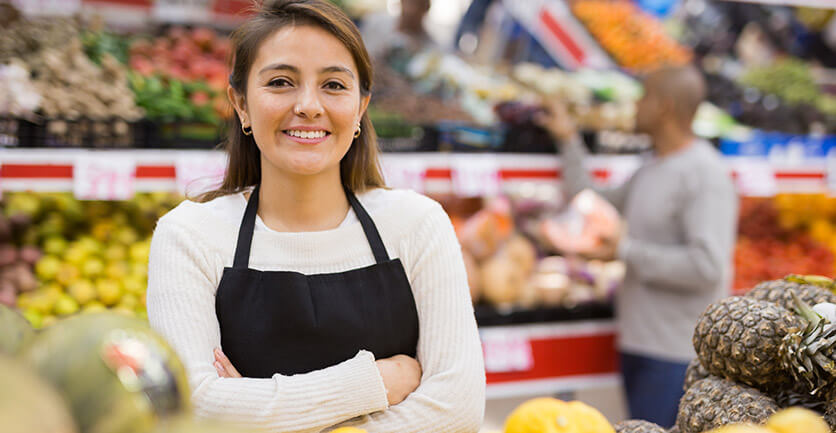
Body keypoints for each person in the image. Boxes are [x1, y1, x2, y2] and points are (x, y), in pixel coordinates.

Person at [146, 1, 485, 432]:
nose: (308, 105)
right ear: (241, 104)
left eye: (334, 85)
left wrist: (259, 414)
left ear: (361, 107)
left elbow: (458, 409)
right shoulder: (188, 236)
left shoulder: (418, 225)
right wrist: (377, 382)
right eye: (281, 82)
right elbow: (195, 410)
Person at [536, 65, 738, 427]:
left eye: (643, 96)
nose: (635, 105)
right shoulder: (652, 167)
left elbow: (707, 267)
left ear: (664, 106)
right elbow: (594, 200)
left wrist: (625, 250)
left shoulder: (705, 175)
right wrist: (568, 139)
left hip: (677, 354)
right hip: (640, 343)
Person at [361, 0, 435, 59]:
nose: (412, 10)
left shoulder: (429, 43)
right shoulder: (377, 23)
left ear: (426, 8)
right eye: (410, 2)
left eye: (419, 5)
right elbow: (362, 55)